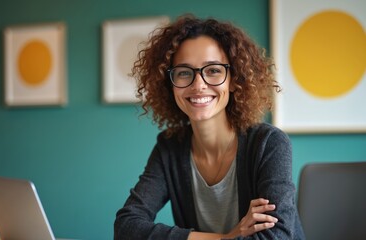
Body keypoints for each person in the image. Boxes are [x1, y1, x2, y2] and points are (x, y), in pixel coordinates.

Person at [114, 14, 305, 240]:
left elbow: (277, 236)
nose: (198, 85)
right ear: (170, 84)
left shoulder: (268, 144)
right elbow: (127, 227)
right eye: (184, 72)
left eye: (213, 70)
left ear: (234, 80)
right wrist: (225, 238)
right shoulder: (170, 148)